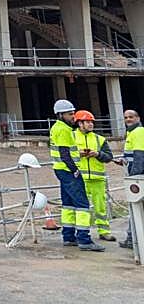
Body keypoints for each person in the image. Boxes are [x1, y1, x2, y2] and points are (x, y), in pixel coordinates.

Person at [49, 99, 104, 250]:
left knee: (68, 205)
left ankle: (68, 236)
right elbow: (64, 153)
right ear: (60, 115)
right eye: (70, 114)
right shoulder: (63, 130)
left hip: (61, 170)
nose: (73, 117)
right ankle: (84, 240)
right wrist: (75, 169)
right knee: (82, 205)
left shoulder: (57, 127)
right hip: (67, 171)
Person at [73, 110, 115, 241]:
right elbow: (64, 154)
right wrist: (78, 153)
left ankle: (104, 231)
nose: (91, 124)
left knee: (100, 207)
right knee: (81, 209)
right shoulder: (71, 137)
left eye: (92, 122)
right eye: (87, 122)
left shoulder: (99, 139)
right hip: (80, 178)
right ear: (80, 123)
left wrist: (98, 154)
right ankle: (82, 233)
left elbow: (109, 157)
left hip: (97, 179)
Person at [116, 109, 144, 249]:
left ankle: (133, 239)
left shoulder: (138, 132)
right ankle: (132, 238)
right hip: (135, 175)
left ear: (138, 118)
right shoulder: (131, 132)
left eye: (131, 117)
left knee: (135, 208)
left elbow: (139, 156)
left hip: (137, 177)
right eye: (126, 117)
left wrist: (134, 179)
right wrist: (124, 160)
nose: (128, 119)